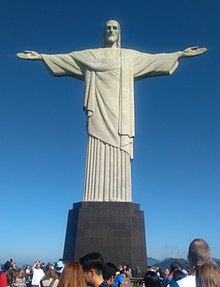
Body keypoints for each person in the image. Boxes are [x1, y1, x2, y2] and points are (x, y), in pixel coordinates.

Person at [17, 20, 207, 203]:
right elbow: (68, 58)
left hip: (121, 113)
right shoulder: (91, 56)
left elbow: (154, 59)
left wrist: (180, 54)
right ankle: (94, 195)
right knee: (96, 146)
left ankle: (119, 196)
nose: (111, 31)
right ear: (104, 32)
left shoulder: (128, 56)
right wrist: (42, 57)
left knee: (119, 149)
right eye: (108, 28)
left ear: (119, 33)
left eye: (115, 28)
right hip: (99, 110)